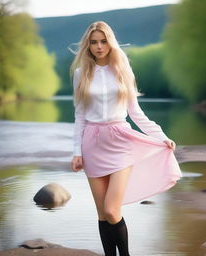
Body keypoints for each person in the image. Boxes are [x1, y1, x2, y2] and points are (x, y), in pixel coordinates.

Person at [70, 21, 182, 256]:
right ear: (87, 45)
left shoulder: (123, 70)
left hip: (120, 141)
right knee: (102, 213)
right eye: (94, 42)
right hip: (92, 143)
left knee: (112, 210)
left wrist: (160, 136)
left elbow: (135, 112)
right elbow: (79, 116)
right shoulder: (81, 74)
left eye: (103, 41)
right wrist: (76, 152)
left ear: (110, 43)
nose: (99, 47)